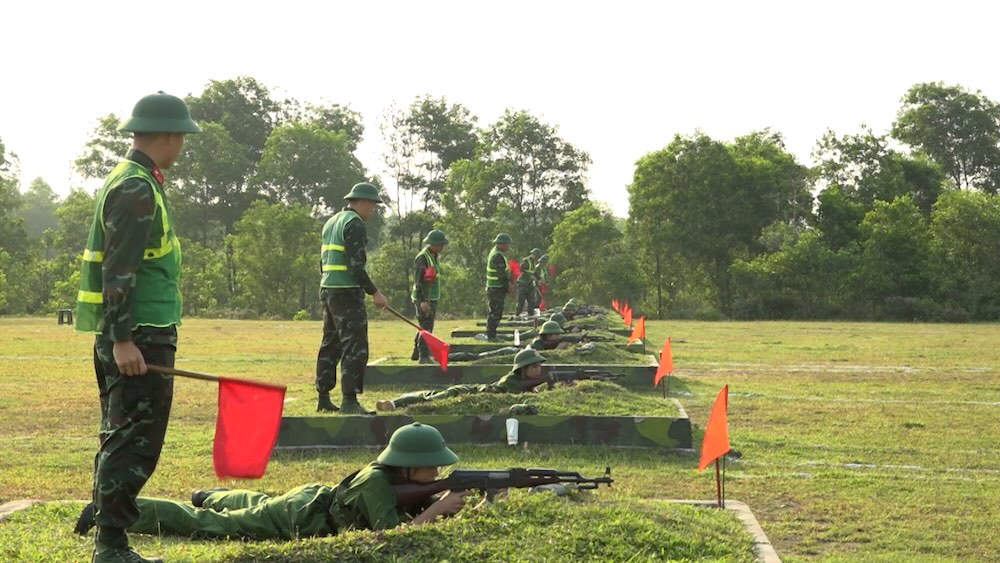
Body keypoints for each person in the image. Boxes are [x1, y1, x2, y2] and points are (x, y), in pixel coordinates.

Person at [73, 91, 201, 563]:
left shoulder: (136, 179)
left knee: (120, 434)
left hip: (138, 330)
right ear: (167, 136)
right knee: (134, 441)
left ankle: (103, 524)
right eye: (182, 137)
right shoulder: (135, 187)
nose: (183, 145)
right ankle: (111, 546)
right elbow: (119, 268)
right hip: (138, 334)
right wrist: (123, 339)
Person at [74, 423, 470, 541]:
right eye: (431, 468)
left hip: (311, 501)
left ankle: (210, 494)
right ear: (409, 466)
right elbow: (389, 536)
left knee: (257, 504)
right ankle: (113, 509)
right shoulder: (377, 484)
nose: (435, 474)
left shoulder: (392, 479)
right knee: (217, 526)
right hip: (300, 518)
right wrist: (437, 507)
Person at [316, 182, 389, 415]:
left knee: (331, 343)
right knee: (355, 345)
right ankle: (349, 400)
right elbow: (356, 265)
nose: (373, 211)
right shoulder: (354, 224)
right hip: (346, 292)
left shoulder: (331, 222)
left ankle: (323, 397)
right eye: (373, 206)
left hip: (328, 289)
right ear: (362, 202)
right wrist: (374, 292)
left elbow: (323, 261)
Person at [376, 348, 547, 411]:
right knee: (430, 399)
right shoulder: (510, 380)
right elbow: (517, 393)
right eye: (534, 367)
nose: (538, 370)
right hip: (463, 393)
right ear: (522, 369)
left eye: (539, 366)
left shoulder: (524, 384)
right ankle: (395, 403)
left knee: (431, 396)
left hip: (473, 396)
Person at [410, 229, 448, 364]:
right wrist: (422, 301)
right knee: (426, 328)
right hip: (424, 298)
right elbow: (418, 281)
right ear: (433, 244)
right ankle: (424, 356)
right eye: (441, 245)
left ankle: (416, 352)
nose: (442, 247)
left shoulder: (433, 256)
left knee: (425, 325)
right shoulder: (422, 258)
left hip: (431, 297)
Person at [484, 233, 513, 341]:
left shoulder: (498, 253)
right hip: (496, 287)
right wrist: (508, 286)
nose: (508, 247)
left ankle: (492, 334)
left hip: (496, 287)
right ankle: (491, 335)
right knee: (495, 312)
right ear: (501, 244)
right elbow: (502, 274)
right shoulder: (497, 255)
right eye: (507, 244)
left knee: (495, 311)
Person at [514, 248, 543, 316]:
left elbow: (533, 272)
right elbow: (521, 269)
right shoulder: (526, 261)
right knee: (521, 300)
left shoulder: (534, 262)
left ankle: (531, 315)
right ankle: (517, 315)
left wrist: (538, 279)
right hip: (522, 283)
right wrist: (529, 275)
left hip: (529, 283)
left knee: (532, 300)